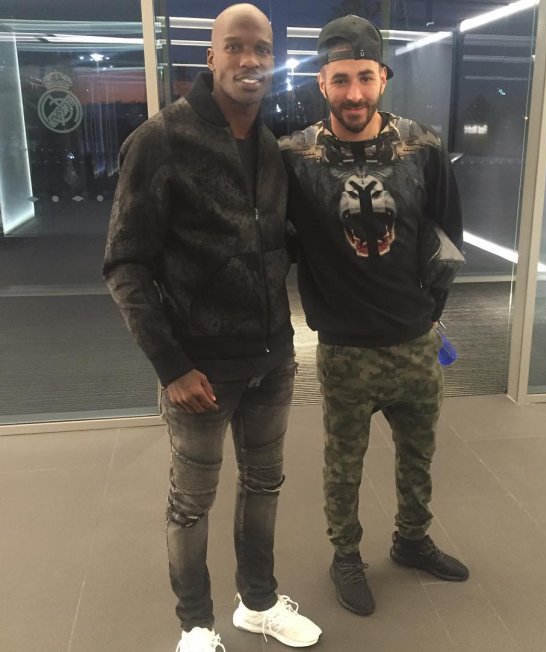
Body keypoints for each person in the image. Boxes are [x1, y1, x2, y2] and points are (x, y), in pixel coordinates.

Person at [103, 4, 321, 651]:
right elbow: (125, 264)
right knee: (191, 503)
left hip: (272, 360)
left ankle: (257, 603)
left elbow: (279, 241)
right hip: (197, 369)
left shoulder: (273, 147)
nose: (250, 60)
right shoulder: (160, 140)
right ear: (211, 56)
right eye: (236, 46)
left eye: (262, 49)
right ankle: (196, 625)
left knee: (265, 485)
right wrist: (170, 365)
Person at [279, 14, 470, 617]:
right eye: (340, 80)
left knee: (419, 454)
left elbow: (446, 234)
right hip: (345, 348)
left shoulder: (422, 147)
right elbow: (279, 241)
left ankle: (412, 540)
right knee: (344, 464)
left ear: (383, 77)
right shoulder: (295, 157)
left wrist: (429, 312)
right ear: (321, 82)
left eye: (365, 77)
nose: (354, 93)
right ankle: (345, 556)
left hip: (414, 339)